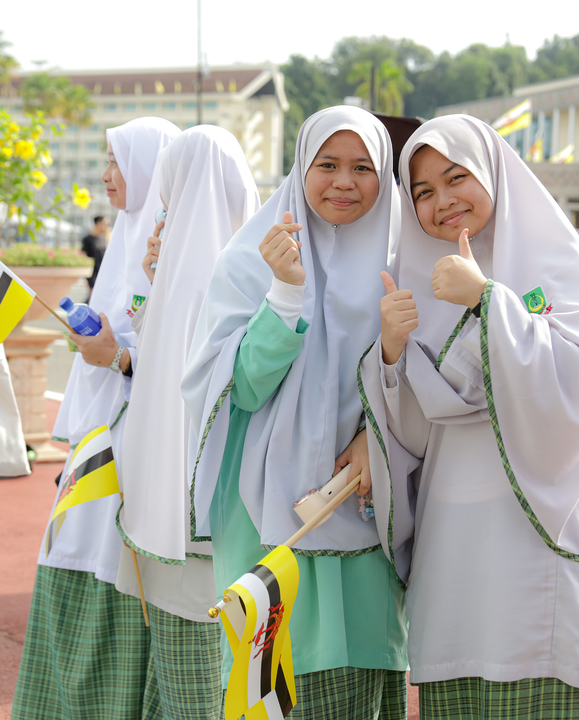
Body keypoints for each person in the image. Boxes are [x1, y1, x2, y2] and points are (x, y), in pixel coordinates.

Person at [359, 114, 579, 718]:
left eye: (456, 178)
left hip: (538, 539)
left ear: (492, 174)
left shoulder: (556, 265)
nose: (442, 201)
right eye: (422, 192)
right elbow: (413, 433)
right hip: (454, 542)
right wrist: (393, 356)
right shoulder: (414, 279)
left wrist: (488, 300)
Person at [182, 106, 408, 719]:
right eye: (327, 165)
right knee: (274, 675)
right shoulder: (250, 261)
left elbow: (423, 377)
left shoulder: (403, 260)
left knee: (359, 668)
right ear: (300, 169)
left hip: (365, 500)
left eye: (363, 167)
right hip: (268, 513)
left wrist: (374, 435)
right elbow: (243, 393)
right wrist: (284, 292)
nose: (344, 181)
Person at [12, 117, 179, 720]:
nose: (107, 175)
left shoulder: (171, 242)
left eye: (116, 161)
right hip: (100, 443)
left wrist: (119, 355)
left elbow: (185, 359)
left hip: (139, 451)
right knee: (76, 552)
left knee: (112, 567)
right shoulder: (128, 241)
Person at [107, 125, 261, 719]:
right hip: (215, 511)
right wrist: (151, 284)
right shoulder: (249, 261)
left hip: (188, 514)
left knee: (192, 661)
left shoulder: (209, 271)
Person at [80, 215, 109, 288]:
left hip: (102, 270)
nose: (107, 227)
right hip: (92, 272)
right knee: (93, 292)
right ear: (99, 223)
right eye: (105, 224)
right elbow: (83, 255)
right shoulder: (87, 239)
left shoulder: (103, 238)